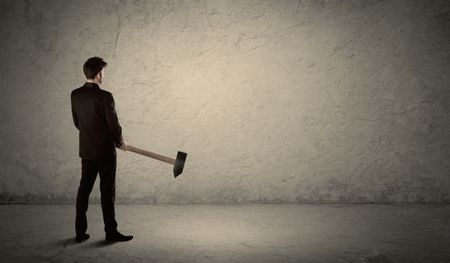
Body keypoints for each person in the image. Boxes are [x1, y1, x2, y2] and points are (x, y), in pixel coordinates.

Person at [71, 57, 133, 243]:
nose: (103, 76)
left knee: (84, 189)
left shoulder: (75, 94)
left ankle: (80, 233)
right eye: (103, 72)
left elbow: (77, 123)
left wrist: (92, 134)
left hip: (87, 150)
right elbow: (113, 125)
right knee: (107, 192)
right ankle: (110, 232)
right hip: (105, 151)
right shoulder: (105, 96)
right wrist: (120, 141)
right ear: (98, 74)